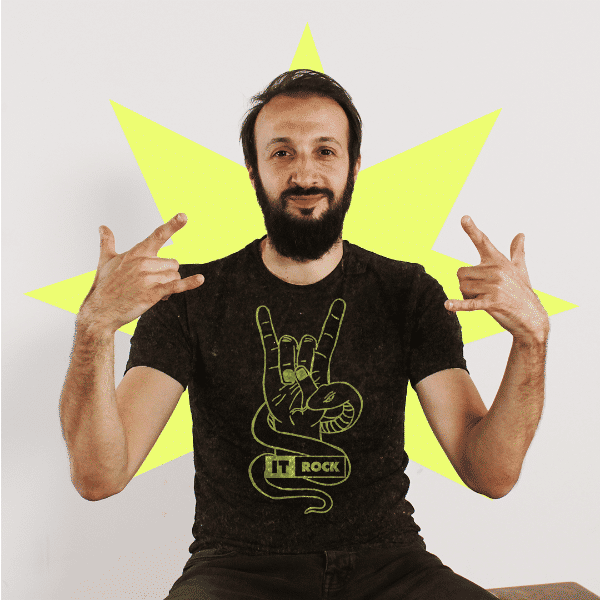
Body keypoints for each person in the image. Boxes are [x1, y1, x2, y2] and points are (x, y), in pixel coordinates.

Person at [59, 70, 550, 599]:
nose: (305, 173)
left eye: (325, 151)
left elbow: (490, 474)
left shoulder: (407, 292)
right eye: (282, 153)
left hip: (391, 566)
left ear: (353, 166)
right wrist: (95, 327)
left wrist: (532, 340)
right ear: (254, 171)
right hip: (235, 572)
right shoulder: (190, 298)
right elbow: (98, 477)